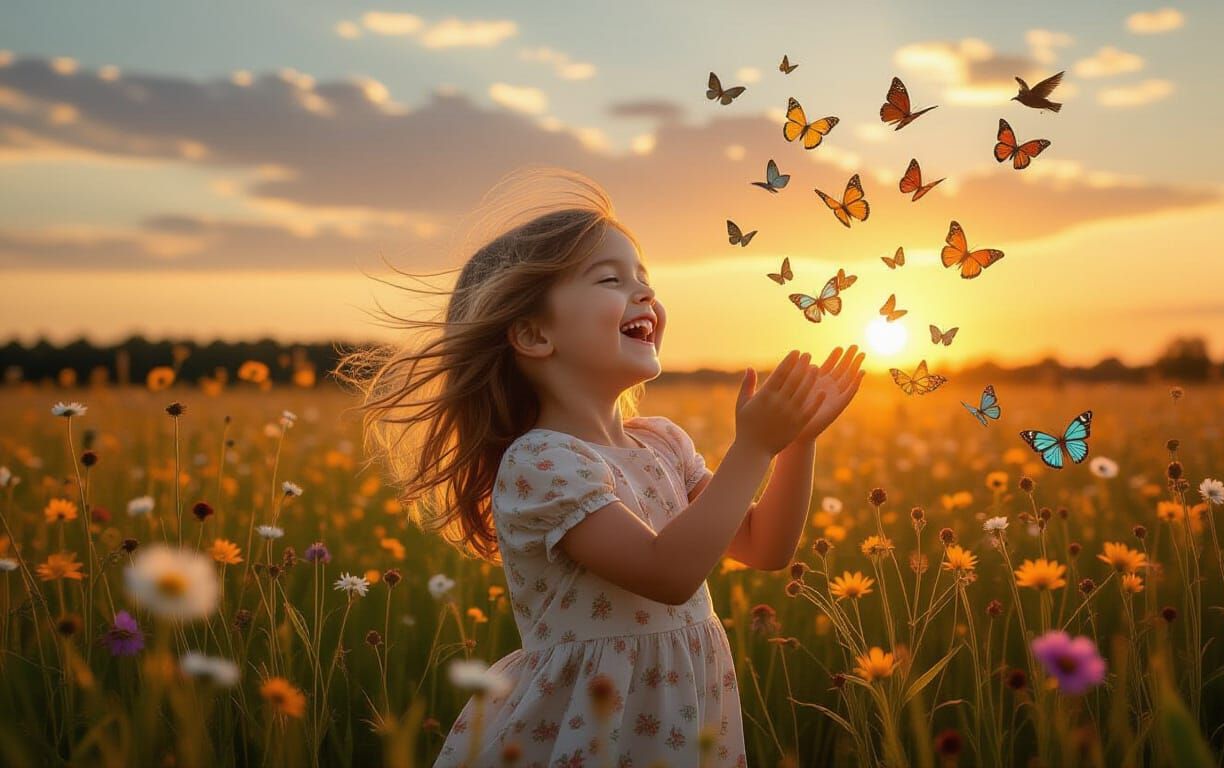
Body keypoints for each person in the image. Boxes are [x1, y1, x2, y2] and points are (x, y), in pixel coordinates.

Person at [335, 167, 865, 768]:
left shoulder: (662, 444)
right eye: (612, 279)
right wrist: (753, 449)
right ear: (534, 334)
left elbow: (764, 546)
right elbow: (667, 573)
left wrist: (796, 443)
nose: (645, 295)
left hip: (681, 715)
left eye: (645, 280)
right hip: (586, 726)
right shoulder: (540, 462)